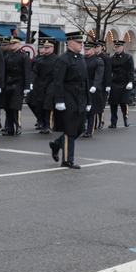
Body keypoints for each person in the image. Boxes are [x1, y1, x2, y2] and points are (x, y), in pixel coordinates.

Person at [49, 30, 89, 169]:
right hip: (68, 96)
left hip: (80, 96)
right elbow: (58, 81)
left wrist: (88, 100)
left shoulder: (81, 58)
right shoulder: (63, 59)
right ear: (70, 43)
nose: (81, 45)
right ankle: (67, 160)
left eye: (81, 42)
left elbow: (86, 81)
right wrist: (59, 100)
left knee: (79, 128)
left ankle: (57, 144)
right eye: (79, 42)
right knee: (70, 129)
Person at [1, 36, 31, 136]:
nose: (12, 45)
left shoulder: (23, 56)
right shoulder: (7, 56)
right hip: (8, 83)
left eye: (14, 44)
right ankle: (9, 128)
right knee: (8, 107)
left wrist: (27, 87)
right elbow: (4, 71)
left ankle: (18, 126)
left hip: (19, 84)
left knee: (15, 107)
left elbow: (27, 72)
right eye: (11, 44)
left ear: (19, 44)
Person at [30, 39, 57, 134]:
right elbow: (35, 72)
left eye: (47, 47)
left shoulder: (57, 59)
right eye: (44, 47)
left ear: (52, 48)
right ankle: (42, 122)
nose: (45, 49)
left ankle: (48, 125)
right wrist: (31, 82)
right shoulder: (40, 60)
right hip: (41, 83)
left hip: (52, 83)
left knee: (48, 104)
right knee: (40, 103)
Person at [107, 40, 135, 127]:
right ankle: (113, 122)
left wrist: (130, 81)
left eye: (118, 47)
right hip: (115, 82)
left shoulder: (128, 57)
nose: (117, 48)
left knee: (124, 103)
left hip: (124, 83)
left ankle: (125, 120)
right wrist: (108, 84)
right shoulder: (111, 59)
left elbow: (130, 70)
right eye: (115, 47)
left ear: (122, 47)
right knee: (113, 103)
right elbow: (109, 72)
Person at [82, 41, 104, 137]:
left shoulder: (98, 61)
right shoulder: (82, 59)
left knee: (92, 110)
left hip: (92, 86)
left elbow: (99, 74)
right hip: (82, 86)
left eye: (89, 49)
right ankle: (82, 127)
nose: (86, 51)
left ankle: (90, 130)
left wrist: (95, 85)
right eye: (85, 49)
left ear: (94, 49)